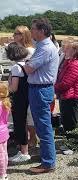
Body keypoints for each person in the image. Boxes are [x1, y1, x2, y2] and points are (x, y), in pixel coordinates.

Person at [23, 18, 59, 174]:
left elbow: (29, 69)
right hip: (40, 88)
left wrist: (25, 63)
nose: (31, 32)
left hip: (40, 89)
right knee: (42, 126)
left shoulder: (45, 48)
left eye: (33, 29)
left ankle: (48, 163)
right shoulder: (43, 46)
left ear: (42, 31)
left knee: (44, 127)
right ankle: (46, 157)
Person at [55, 42, 78, 154]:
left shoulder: (75, 64)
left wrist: (53, 88)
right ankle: (69, 142)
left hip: (72, 96)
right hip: (66, 95)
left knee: (72, 122)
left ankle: (73, 145)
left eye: (68, 49)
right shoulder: (69, 62)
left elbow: (66, 83)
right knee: (66, 121)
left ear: (74, 51)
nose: (65, 50)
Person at [11, 25, 37, 153]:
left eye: (16, 33)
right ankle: (23, 140)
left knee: (29, 114)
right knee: (22, 116)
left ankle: (32, 139)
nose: (14, 35)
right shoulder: (18, 49)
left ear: (23, 35)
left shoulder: (30, 51)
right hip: (20, 83)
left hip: (27, 85)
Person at [6, 42, 32, 163]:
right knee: (23, 124)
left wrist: (5, 89)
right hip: (25, 98)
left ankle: (24, 152)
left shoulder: (16, 67)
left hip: (18, 99)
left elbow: (14, 88)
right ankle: (23, 150)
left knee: (19, 124)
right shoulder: (26, 64)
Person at [0, 83, 11, 180]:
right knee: (4, 153)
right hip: (4, 132)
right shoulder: (5, 103)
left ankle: (2, 174)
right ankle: (4, 172)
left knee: (0, 155)